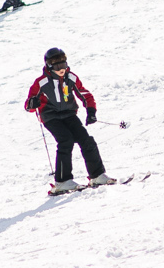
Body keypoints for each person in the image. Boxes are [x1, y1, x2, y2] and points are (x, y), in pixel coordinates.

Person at [25, 47, 113, 194]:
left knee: (86, 140)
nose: (61, 69)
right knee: (65, 140)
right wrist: (32, 104)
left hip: (69, 114)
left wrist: (91, 111)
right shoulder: (41, 82)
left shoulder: (71, 77)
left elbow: (85, 94)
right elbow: (29, 105)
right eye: (57, 66)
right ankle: (62, 181)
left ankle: (97, 175)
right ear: (49, 66)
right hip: (50, 116)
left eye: (64, 65)